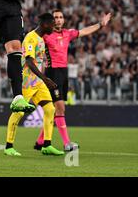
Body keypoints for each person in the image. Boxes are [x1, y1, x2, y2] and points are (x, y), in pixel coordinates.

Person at [34, 10, 111, 151]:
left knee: (54, 110)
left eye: (60, 17)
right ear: (51, 21)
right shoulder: (45, 35)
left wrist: (100, 24)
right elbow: (31, 40)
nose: (58, 20)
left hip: (64, 73)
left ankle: (40, 142)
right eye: (55, 17)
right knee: (60, 108)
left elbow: (84, 31)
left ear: (63, 20)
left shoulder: (67, 33)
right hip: (52, 73)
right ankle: (66, 143)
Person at [4, 13, 64, 156]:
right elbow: (30, 62)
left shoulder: (41, 39)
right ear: (44, 24)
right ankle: (8, 146)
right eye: (52, 25)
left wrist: (43, 79)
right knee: (18, 112)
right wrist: (45, 78)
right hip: (26, 81)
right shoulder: (31, 38)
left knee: (50, 109)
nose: (53, 28)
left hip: (38, 82)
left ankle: (47, 145)